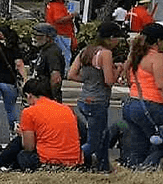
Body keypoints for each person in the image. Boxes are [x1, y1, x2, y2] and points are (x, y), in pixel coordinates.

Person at [69, 20, 123, 172]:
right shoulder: (105, 54)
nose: (118, 42)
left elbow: (71, 74)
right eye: (118, 39)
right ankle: (71, 160)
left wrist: (88, 80)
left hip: (84, 99)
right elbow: (109, 81)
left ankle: (104, 167)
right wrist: (119, 70)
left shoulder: (86, 51)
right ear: (111, 38)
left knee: (104, 136)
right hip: (97, 101)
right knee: (94, 141)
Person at [0, 77, 82, 171]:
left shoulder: (29, 112)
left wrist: (23, 134)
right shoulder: (67, 109)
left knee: (21, 151)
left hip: (48, 161)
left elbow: (29, 147)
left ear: (29, 95)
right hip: (74, 162)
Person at [120, 23, 163, 170]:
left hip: (132, 103)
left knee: (138, 145)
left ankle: (134, 171)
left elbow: (127, 76)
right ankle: (146, 169)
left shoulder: (136, 55)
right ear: (158, 41)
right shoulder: (157, 58)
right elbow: (160, 85)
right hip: (152, 105)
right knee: (159, 143)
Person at [28, 22, 65, 93]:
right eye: (34, 34)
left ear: (48, 38)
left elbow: (56, 78)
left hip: (46, 97)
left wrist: (52, 96)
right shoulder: (45, 50)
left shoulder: (52, 52)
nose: (34, 37)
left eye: (38, 35)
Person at [45, 0, 76, 64]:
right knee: (66, 56)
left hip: (57, 33)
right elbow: (58, 19)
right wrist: (71, 16)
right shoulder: (57, 6)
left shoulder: (52, 5)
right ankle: (65, 73)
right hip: (61, 34)